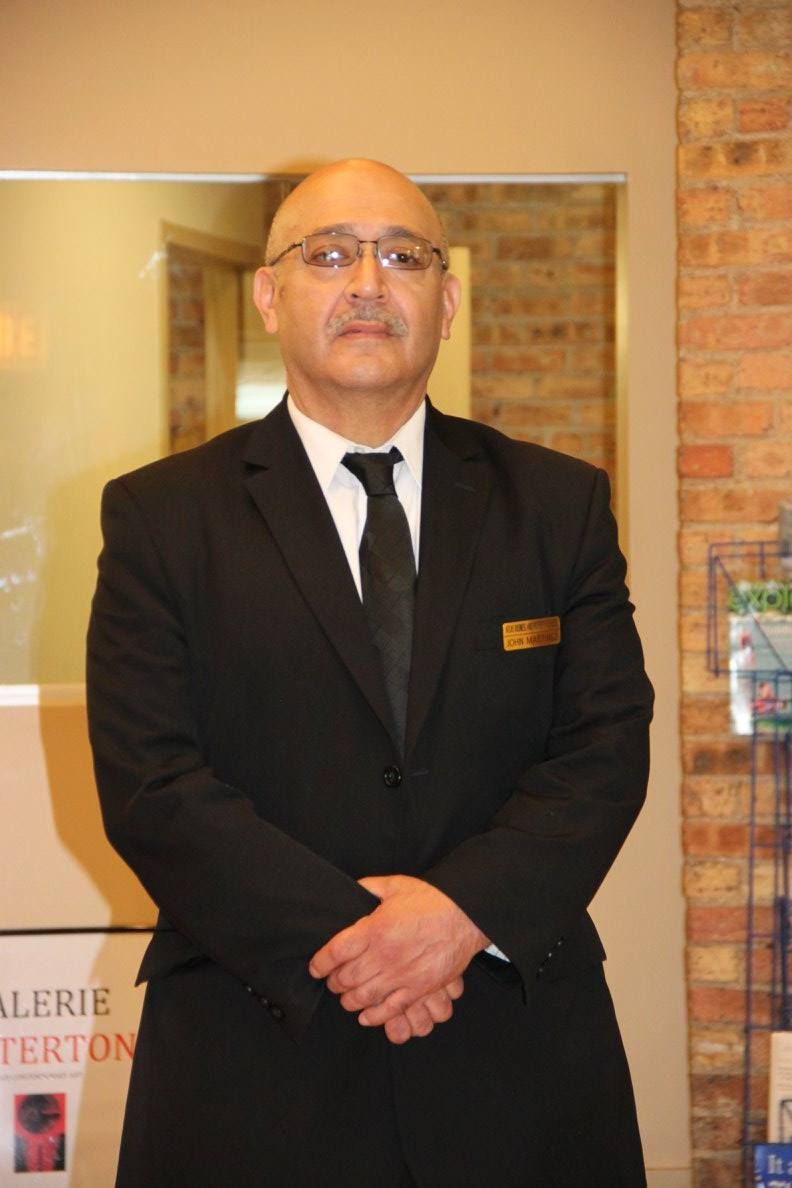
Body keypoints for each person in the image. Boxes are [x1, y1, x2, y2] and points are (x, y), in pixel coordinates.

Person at [87, 158, 654, 1188]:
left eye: (403, 256)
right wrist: (369, 942)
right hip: (255, 1053)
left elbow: (606, 750)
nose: (367, 282)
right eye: (330, 254)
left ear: (446, 299)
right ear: (269, 292)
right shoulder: (162, 519)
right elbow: (151, 783)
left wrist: (454, 918)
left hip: (517, 1055)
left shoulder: (558, 506)